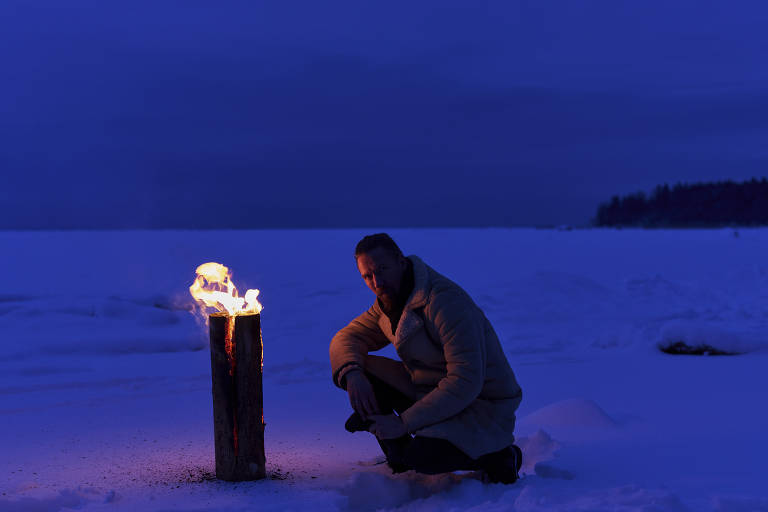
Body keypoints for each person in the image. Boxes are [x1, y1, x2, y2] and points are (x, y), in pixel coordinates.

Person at [329, 233, 523, 483]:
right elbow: (345, 338)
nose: (377, 282)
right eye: (367, 276)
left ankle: (500, 456)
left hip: (481, 406)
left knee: (423, 457)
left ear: (401, 262)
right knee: (355, 365)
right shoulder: (388, 302)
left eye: (382, 269)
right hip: (431, 392)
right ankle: (399, 458)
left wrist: (403, 423)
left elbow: (466, 381)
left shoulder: (444, 302)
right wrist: (353, 374)